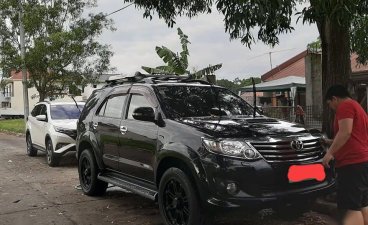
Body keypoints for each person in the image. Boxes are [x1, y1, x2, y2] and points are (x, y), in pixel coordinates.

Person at [322, 84, 368, 225]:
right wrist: (328, 142)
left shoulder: (345, 106)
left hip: (351, 163)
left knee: (350, 207)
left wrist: (329, 153)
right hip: (362, 161)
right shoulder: (357, 106)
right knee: (362, 203)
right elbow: (352, 135)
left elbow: (345, 132)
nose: (331, 107)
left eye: (329, 104)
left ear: (334, 98)